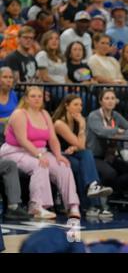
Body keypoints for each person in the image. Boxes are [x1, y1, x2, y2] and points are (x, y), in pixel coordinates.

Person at [0, 87, 80, 219]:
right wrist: (39, 156)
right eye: (33, 96)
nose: (37, 99)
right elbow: (23, 140)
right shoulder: (19, 113)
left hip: (40, 151)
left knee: (63, 166)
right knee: (40, 165)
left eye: (39, 96)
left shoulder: (44, 114)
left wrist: (58, 155)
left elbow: (52, 138)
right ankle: (37, 207)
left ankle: (72, 205)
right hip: (15, 151)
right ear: (26, 98)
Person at [52, 94, 114, 218]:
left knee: (85, 156)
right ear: (66, 106)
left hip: (73, 153)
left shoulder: (78, 119)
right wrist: (82, 126)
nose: (79, 108)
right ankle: (94, 205)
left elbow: (81, 145)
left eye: (81, 105)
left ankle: (92, 199)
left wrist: (75, 146)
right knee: (80, 162)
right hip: (59, 155)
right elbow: (81, 144)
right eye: (75, 105)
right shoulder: (59, 123)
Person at [87, 89, 128, 193]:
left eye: (113, 98)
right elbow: (101, 131)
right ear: (100, 101)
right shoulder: (94, 116)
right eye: (107, 98)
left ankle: (115, 196)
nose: (110, 101)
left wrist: (121, 132)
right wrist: (117, 130)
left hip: (110, 156)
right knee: (110, 173)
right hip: (94, 156)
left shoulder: (115, 115)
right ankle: (105, 198)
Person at [0, 67, 18, 132]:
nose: (9, 80)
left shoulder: (14, 94)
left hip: (12, 128)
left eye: (10, 77)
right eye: (5, 77)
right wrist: (7, 121)